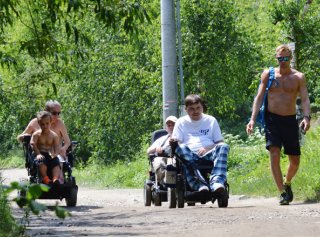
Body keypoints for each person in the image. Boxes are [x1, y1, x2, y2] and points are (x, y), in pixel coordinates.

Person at [246, 44, 311, 205]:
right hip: (272, 120)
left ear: (291, 58)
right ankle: (282, 192)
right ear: (276, 58)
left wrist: (307, 117)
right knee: (274, 153)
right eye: (280, 58)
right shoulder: (269, 74)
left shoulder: (299, 77)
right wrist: (252, 119)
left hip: (290, 120)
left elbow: (304, 99)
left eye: (286, 58)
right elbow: (259, 97)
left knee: (295, 160)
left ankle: (287, 182)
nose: (283, 61)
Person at [171, 94, 230, 193]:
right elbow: (178, 143)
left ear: (202, 107)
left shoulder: (211, 120)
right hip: (189, 155)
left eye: (198, 108)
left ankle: (216, 182)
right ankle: (199, 183)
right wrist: (173, 142)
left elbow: (219, 142)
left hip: (208, 154)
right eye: (192, 109)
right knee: (180, 148)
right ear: (186, 109)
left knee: (224, 146)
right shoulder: (181, 122)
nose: (196, 111)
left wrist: (207, 148)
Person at [17, 100, 71, 182]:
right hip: (39, 153)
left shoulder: (60, 124)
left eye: (59, 113)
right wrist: (26, 137)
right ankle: (44, 180)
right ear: (46, 112)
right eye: (54, 113)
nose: (57, 116)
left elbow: (67, 141)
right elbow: (20, 137)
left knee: (59, 160)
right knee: (40, 161)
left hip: (56, 154)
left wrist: (63, 149)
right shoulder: (35, 122)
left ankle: (58, 181)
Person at [30, 111, 61, 185]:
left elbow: (57, 147)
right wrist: (38, 154)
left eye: (47, 124)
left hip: (49, 154)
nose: (45, 126)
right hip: (39, 153)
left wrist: (55, 154)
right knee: (41, 161)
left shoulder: (54, 136)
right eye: (42, 124)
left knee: (56, 162)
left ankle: (55, 179)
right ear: (39, 124)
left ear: (50, 122)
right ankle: (45, 178)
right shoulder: (36, 134)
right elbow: (32, 143)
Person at [147, 116, 177, 185]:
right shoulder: (162, 139)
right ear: (166, 128)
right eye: (169, 125)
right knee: (159, 162)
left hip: (179, 159)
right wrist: (156, 148)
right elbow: (148, 151)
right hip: (164, 158)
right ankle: (166, 183)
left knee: (172, 162)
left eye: (173, 125)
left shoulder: (183, 137)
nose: (171, 127)